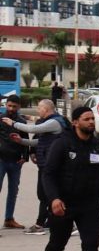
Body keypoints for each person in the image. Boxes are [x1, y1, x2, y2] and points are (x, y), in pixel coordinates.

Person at [36, 106, 99, 251]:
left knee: (91, 243)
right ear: (75, 122)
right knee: (58, 243)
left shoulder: (98, 145)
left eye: (92, 119)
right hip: (64, 204)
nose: (91, 122)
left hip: (90, 205)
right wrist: (54, 199)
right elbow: (48, 174)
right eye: (86, 119)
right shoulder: (62, 144)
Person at [2, 99, 70, 234]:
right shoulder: (50, 122)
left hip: (52, 164)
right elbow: (40, 141)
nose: (38, 111)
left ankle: (49, 224)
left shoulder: (54, 122)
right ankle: (52, 221)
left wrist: (13, 123)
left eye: (39, 108)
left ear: (45, 109)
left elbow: (33, 129)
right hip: (46, 163)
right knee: (46, 194)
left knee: (46, 193)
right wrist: (21, 141)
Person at [0, 95, 30, 230]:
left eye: (14, 106)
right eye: (9, 105)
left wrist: (25, 156)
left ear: (19, 107)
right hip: (1, 160)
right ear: (6, 105)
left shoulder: (21, 122)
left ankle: (9, 219)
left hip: (16, 161)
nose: (11, 108)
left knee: (13, 191)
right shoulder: (0, 119)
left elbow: (25, 140)